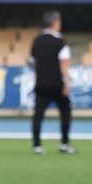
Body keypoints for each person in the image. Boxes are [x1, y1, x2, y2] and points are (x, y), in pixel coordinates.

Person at [29, 10, 75, 155]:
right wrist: (67, 82)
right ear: (55, 23)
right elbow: (64, 64)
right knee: (65, 113)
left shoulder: (37, 40)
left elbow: (32, 61)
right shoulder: (60, 42)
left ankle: (37, 145)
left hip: (41, 83)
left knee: (38, 115)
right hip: (57, 84)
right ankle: (64, 143)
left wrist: (41, 73)